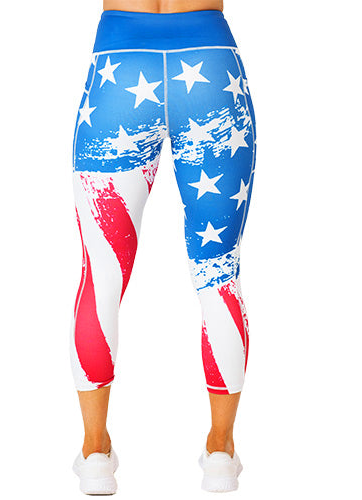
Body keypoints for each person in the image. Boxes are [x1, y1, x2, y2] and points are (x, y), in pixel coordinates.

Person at [70, 0, 256, 493]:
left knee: (101, 276)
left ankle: (95, 453)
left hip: (119, 69)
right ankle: (221, 452)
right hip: (211, 67)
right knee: (219, 273)